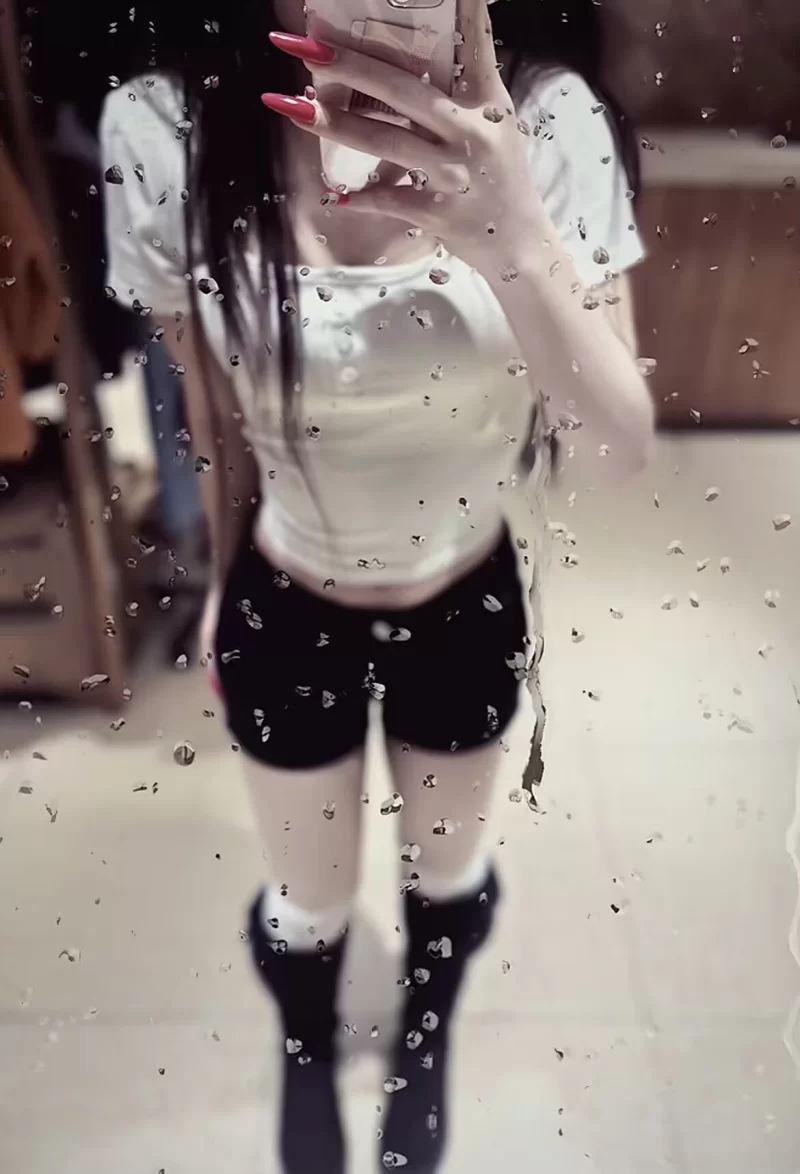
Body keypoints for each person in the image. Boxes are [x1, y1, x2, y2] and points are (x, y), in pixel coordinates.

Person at [100, 1, 654, 1170]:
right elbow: (212, 411)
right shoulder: (167, 129)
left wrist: (512, 235)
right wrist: (220, 576)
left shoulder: (546, 124)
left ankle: (426, 1030)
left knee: (445, 874)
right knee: (306, 899)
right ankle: (305, 1043)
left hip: (463, 591)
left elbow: (615, 450)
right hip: (284, 590)